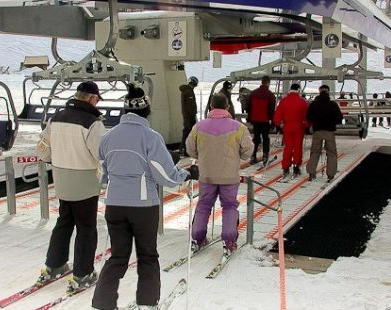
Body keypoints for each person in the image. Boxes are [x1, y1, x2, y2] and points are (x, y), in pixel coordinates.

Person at [92, 83, 197, 310]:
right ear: (146, 110)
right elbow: (165, 176)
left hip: (114, 204)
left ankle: (102, 303)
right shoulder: (150, 137)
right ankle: (147, 303)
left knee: (118, 256)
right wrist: (186, 174)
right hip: (142, 206)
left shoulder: (109, 137)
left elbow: (102, 169)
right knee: (147, 255)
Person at [36, 81, 106, 290]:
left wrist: (55, 161)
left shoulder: (56, 118)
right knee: (86, 227)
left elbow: (43, 148)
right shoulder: (93, 123)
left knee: (64, 221)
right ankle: (83, 273)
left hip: (62, 178)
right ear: (92, 98)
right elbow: (100, 154)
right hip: (84, 180)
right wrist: (104, 177)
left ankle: (54, 264)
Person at [186, 93, 254, 255]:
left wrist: (201, 156)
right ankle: (229, 240)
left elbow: (190, 149)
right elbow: (247, 151)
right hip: (229, 177)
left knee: (203, 205)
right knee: (229, 206)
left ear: (210, 106)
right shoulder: (238, 127)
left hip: (206, 175)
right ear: (227, 107)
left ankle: (197, 237)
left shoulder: (199, 127)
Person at [305, 84, 343, 183]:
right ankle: (330, 174)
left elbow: (308, 117)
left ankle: (311, 172)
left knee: (315, 152)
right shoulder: (333, 104)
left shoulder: (314, 104)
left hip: (317, 131)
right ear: (328, 92)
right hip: (329, 131)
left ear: (319, 91)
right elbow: (339, 118)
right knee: (331, 153)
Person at [273, 83, 308, 178]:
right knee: (297, 147)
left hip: (287, 126)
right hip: (299, 127)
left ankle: (285, 167)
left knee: (288, 147)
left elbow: (277, 115)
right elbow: (306, 116)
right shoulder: (302, 102)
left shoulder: (283, 101)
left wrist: (278, 124)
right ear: (299, 90)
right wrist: (307, 126)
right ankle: (296, 166)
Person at [247, 75, 276, 165]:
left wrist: (250, 118)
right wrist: (273, 122)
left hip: (255, 119)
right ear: (268, 83)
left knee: (256, 138)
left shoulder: (253, 93)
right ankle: (265, 156)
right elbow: (271, 110)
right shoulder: (270, 95)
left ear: (262, 82)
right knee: (265, 138)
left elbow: (248, 107)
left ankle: (253, 155)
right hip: (265, 120)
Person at [179, 76, 199, 156]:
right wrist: (193, 116)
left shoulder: (186, 91)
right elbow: (191, 106)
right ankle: (184, 149)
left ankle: (184, 148)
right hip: (189, 117)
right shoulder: (189, 92)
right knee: (188, 132)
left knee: (187, 132)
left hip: (187, 116)